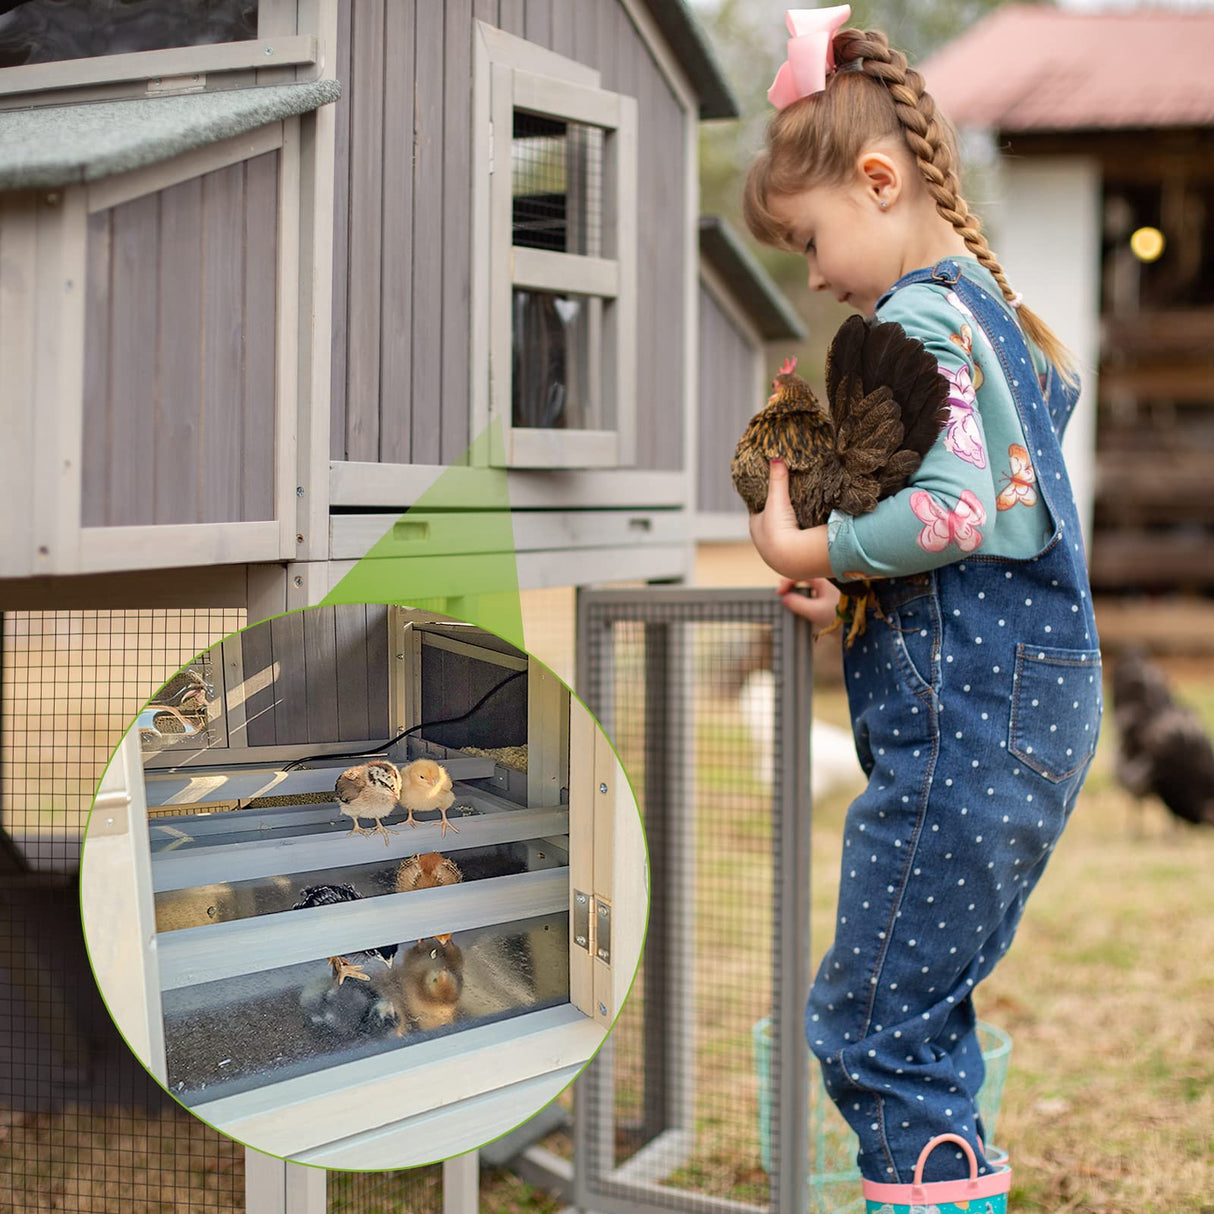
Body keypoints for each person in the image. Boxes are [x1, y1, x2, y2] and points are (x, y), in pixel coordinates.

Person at [742, 9, 1103, 1212]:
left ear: (878, 181)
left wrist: (814, 540)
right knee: (918, 1003)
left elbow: (946, 515)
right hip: (1022, 712)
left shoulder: (909, 317)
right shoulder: (988, 318)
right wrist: (852, 593)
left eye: (806, 239)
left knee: (869, 1018)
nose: (813, 275)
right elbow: (988, 528)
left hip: (964, 733)